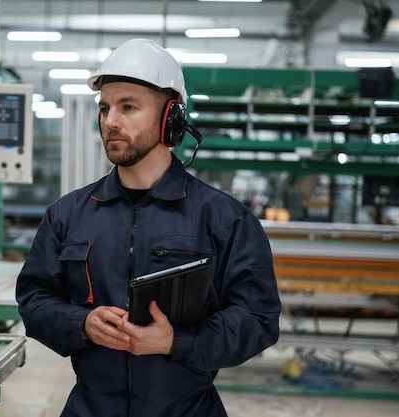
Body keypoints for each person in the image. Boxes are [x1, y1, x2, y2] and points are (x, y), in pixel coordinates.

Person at [15, 38, 281, 417]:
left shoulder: (225, 219)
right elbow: (34, 299)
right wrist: (84, 323)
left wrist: (178, 341)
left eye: (129, 107)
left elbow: (258, 319)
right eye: (104, 108)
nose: (111, 122)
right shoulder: (67, 214)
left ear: (171, 118)